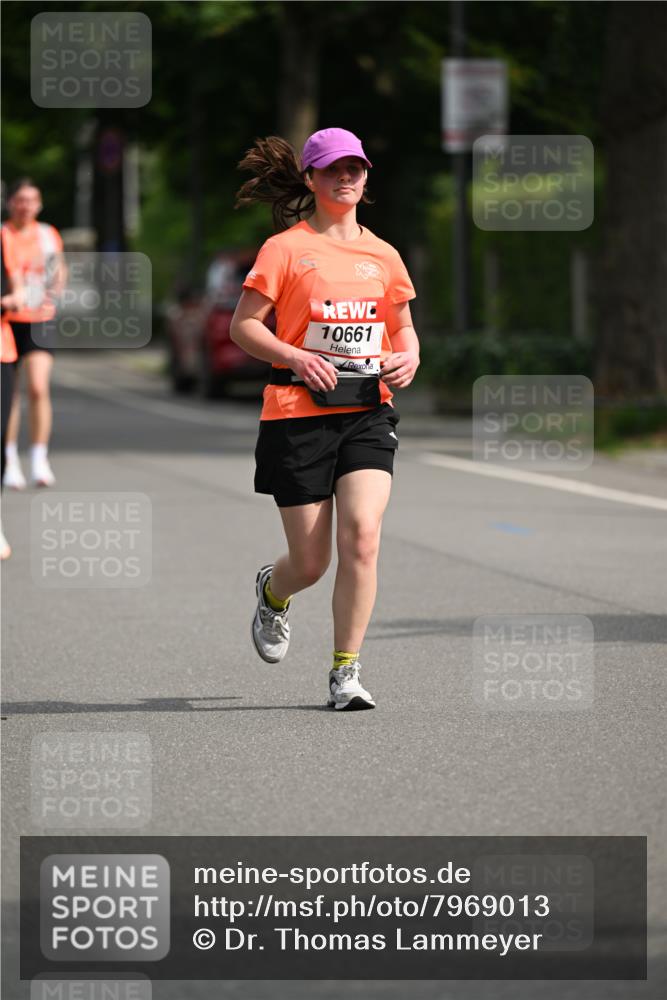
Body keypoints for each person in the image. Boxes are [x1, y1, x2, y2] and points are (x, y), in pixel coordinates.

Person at [230, 127, 420, 711]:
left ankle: (346, 671)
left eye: (356, 168)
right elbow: (245, 326)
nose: (347, 177)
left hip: (367, 412)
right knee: (310, 564)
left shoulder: (383, 254)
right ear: (311, 179)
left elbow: (403, 329)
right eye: (334, 168)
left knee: (362, 537)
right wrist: (294, 355)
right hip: (297, 415)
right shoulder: (284, 249)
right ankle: (273, 589)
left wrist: (409, 356)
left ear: (366, 179)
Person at [1, 178, 66, 489]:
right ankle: (9, 458)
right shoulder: (3, 235)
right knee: (9, 393)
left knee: (38, 388)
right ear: (11, 203)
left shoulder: (47, 234)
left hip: (40, 318)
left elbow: (59, 269)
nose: (25, 205)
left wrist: (56, 289)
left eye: (31, 200)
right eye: (20, 200)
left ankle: (39, 458)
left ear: (39, 204)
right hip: (7, 320)